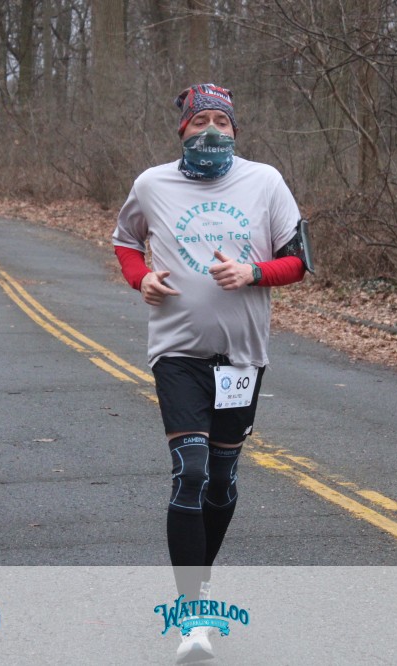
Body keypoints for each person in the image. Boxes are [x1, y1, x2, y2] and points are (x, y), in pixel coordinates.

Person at [112, 83, 312, 663]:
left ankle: (198, 582)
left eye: (221, 122)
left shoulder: (265, 182)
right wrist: (141, 278)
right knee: (191, 471)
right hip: (177, 352)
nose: (211, 131)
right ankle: (192, 617)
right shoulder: (153, 185)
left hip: (242, 357)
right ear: (183, 130)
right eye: (200, 121)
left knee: (221, 479)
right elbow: (126, 242)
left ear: (235, 130)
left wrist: (253, 273)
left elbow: (299, 261)